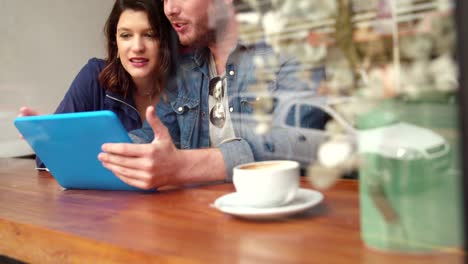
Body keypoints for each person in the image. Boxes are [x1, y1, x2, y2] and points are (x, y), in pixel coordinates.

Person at [98, 0, 329, 190]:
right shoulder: (183, 71)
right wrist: (105, 153)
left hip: (287, 215)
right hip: (206, 221)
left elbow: (299, 141)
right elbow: (154, 138)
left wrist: (183, 167)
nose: (169, 9)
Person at [19, 0, 175, 168]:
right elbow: (46, 161)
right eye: (126, 35)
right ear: (115, 42)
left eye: (149, 34)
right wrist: (49, 140)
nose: (137, 47)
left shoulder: (188, 83)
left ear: (165, 41)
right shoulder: (95, 76)